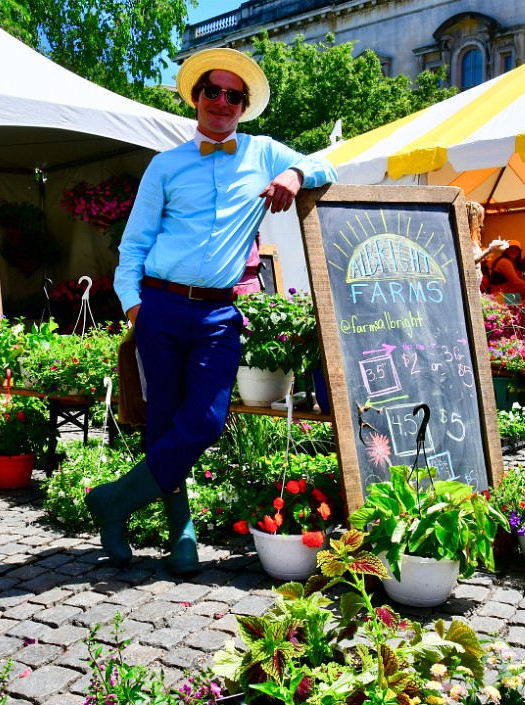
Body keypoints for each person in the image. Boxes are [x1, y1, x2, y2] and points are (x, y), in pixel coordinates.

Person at [87, 48, 337, 574]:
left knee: (202, 421)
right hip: (160, 306)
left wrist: (294, 173)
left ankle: (113, 500)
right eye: (212, 92)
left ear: (243, 106)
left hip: (219, 314)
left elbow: (325, 164)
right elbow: (133, 245)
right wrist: (135, 308)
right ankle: (181, 530)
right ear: (197, 99)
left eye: (233, 95)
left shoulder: (264, 152)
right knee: (164, 422)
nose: (221, 101)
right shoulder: (166, 164)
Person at [466, 201, 508, 291]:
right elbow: (469, 262)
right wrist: (489, 250)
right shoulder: (464, 239)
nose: (481, 224)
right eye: (480, 219)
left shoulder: (472, 239)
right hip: (469, 286)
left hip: (475, 286)